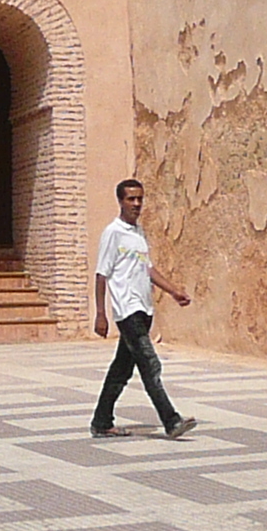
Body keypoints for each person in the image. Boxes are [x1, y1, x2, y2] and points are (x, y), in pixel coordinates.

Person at [91, 178, 195, 440]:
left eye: (140, 199)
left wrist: (173, 291)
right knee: (150, 364)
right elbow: (101, 275)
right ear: (121, 201)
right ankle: (171, 420)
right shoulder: (112, 233)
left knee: (121, 370)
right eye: (131, 199)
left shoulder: (138, 233)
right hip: (127, 310)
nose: (136, 204)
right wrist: (101, 314)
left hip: (144, 309)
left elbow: (147, 269)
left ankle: (101, 421)